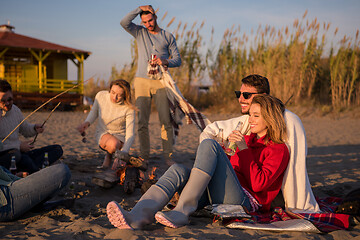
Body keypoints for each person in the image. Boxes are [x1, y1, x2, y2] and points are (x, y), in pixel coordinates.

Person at [106, 94, 290, 229]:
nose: (250, 120)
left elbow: (258, 184)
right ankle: (137, 216)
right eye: (250, 114)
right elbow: (233, 170)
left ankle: (182, 211)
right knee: (177, 169)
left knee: (209, 144)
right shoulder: (248, 140)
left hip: (244, 202)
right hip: (220, 193)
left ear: (271, 118)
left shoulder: (279, 149)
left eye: (256, 115)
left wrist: (243, 150)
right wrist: (225, 154)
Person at [199, 74, 320, 213]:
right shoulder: (248, 124)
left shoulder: (289, 122)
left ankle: (187, 204)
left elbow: (296, 168)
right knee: (181, 172)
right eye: (239, 94)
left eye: (246, 95)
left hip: (262, 196)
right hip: (242, 188)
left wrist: (297, 204)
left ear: (262, 96)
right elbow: (212, 131)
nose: (240, 99)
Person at [120, 5, 182, 164]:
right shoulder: (140, 32)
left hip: (161, 82)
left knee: (166, 120)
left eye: (150, 20)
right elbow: (124, 22)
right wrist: (138, 8)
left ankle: (168, 156)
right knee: (141, 121)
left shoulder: (168, 36)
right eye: (145, 21)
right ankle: (144, 156)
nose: (148, 24)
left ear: (155, 17)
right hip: (141, 81)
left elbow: (178, 59)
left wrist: (166, 61)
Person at [0, 80, 63, 174]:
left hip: (20, 153)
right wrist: (19, 146)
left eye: (9, 100)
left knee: (57, 149)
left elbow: (25, 129)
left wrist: (34, 128)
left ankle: (26, 169)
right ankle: (29, 170)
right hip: (7, 155)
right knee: (17, 156)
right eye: (2, 101)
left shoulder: (15, 110)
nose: (7, 103)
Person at [77, 79, 136, 169]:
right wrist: (86, 123)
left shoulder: (129, 108)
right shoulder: (101, 96)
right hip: (103, 132)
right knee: (113, 145)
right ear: (110, 89)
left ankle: (115, 160)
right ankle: (109, 157)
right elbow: (94, 112)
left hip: (121, 136)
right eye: (112, 92)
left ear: (125, 95)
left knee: (118, 151)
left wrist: (123, 154)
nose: (114, 97)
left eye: (119, 95)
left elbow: (130, 134)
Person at [0, 163, 71, 221]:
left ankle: (34, 205)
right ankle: (34, 205)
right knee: (62, 170)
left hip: (6, 188)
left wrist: (18, 179)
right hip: (5, 200)